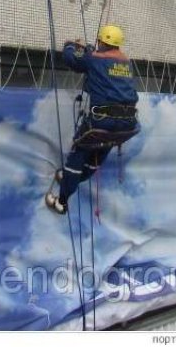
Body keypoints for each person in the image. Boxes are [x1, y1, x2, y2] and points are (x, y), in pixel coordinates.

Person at [45, 24, 139, 215]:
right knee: (97, 156)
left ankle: (61, 202)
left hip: (102, 122)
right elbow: (106, 73)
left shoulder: (95, 59)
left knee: (78, 156)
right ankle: (69, 177)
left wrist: (71, 45)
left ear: (102, 42)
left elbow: (71, 58)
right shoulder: (126, 63)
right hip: (126, 125)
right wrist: (89, 51)